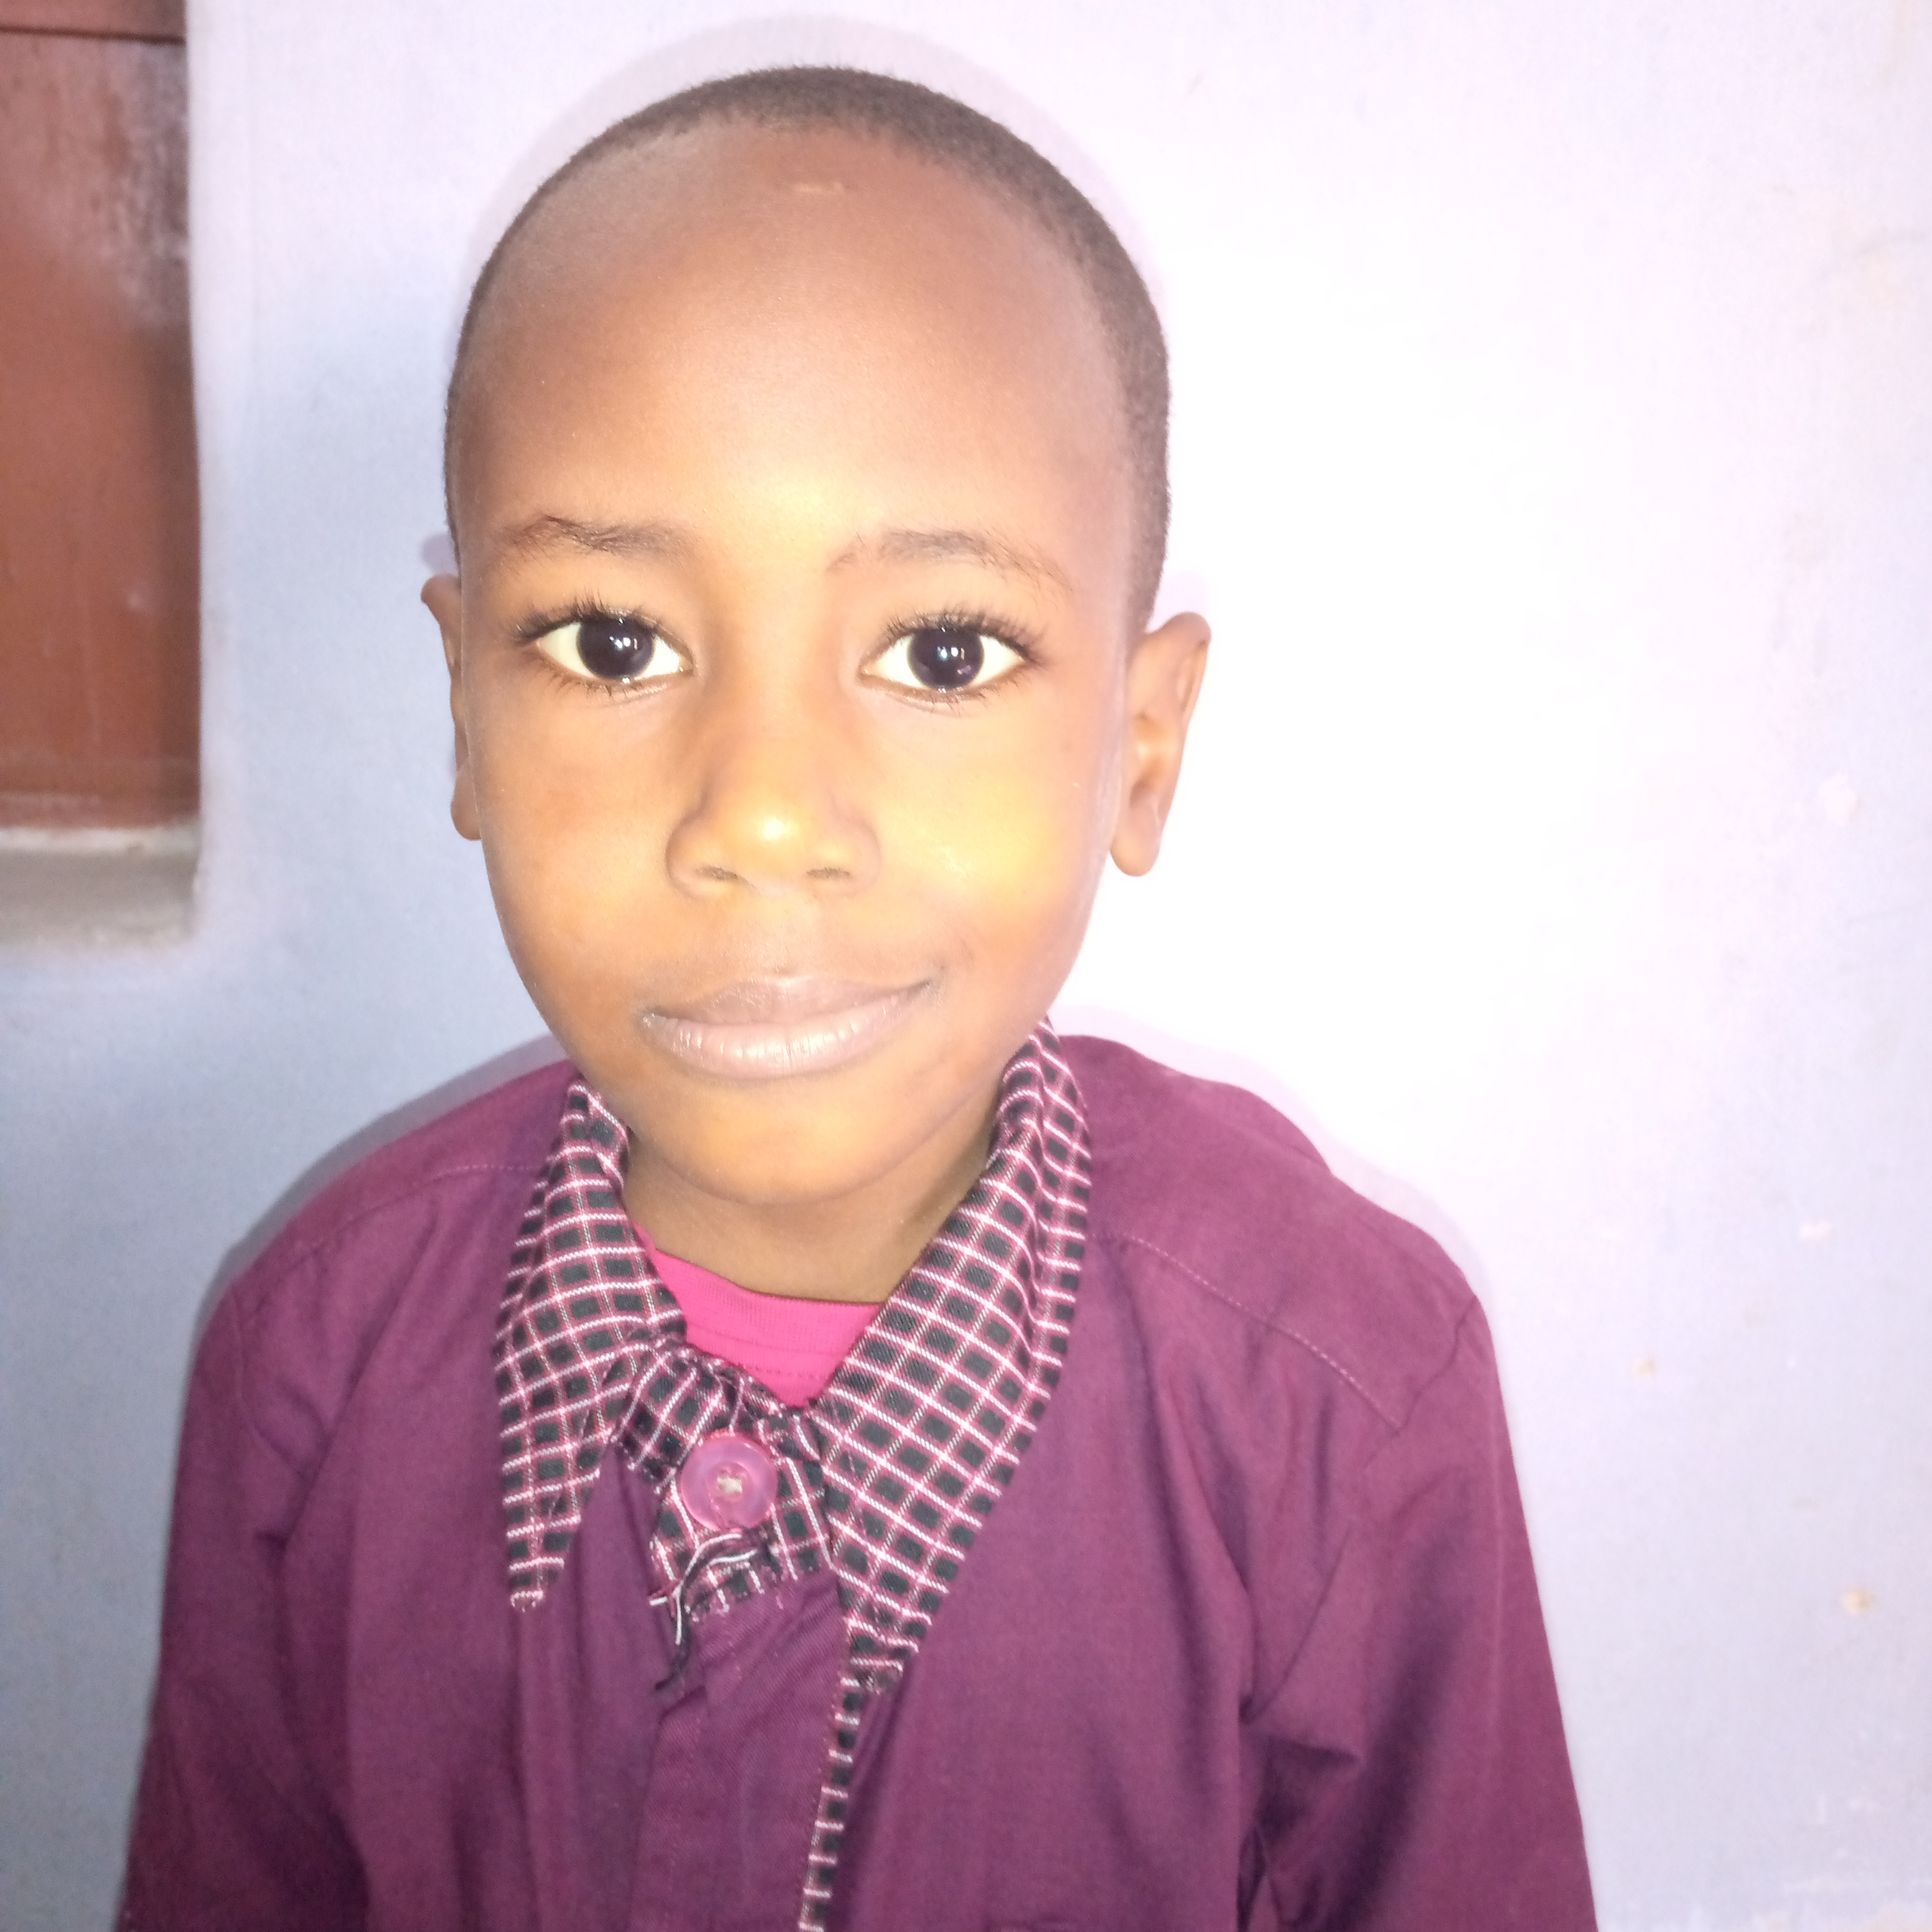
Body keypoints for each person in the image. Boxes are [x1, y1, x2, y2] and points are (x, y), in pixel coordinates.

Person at [121, 65, 1597, 1932]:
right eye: (613, 642)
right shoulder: (312, 1367)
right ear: (466, 712)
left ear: (1142, 749)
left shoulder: (1341, 1397)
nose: (761, 817)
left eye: (943, 651)